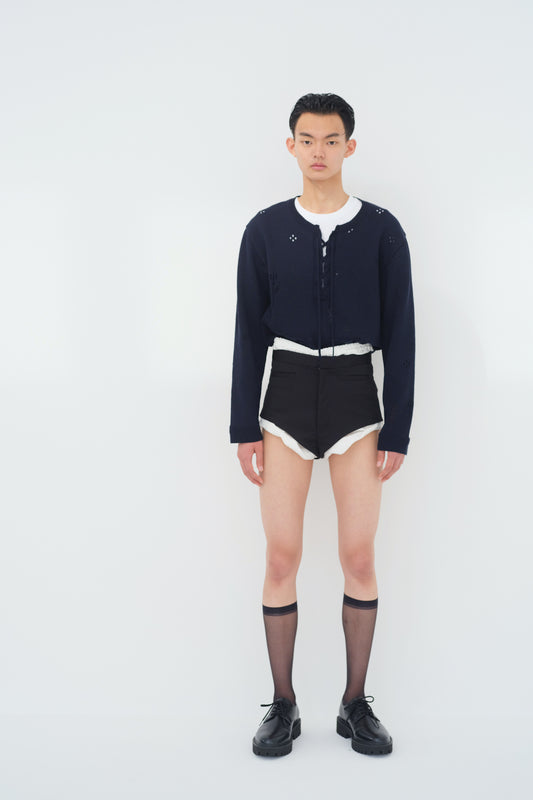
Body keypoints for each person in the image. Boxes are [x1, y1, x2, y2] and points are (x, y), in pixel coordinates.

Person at [229, 93, 415, 758]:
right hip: (283, 398)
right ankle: (282, 705)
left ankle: (353, 703)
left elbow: (401, 331)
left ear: (348, 147)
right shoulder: (265, 229)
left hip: (354, 399)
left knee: (358, 557)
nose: (318, 151)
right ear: (291, 146)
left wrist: (397, 429)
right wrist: (242, 427)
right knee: (281, 557)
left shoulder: (382, 230)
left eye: (331, 139)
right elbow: (248, 330)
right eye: (306, 139)